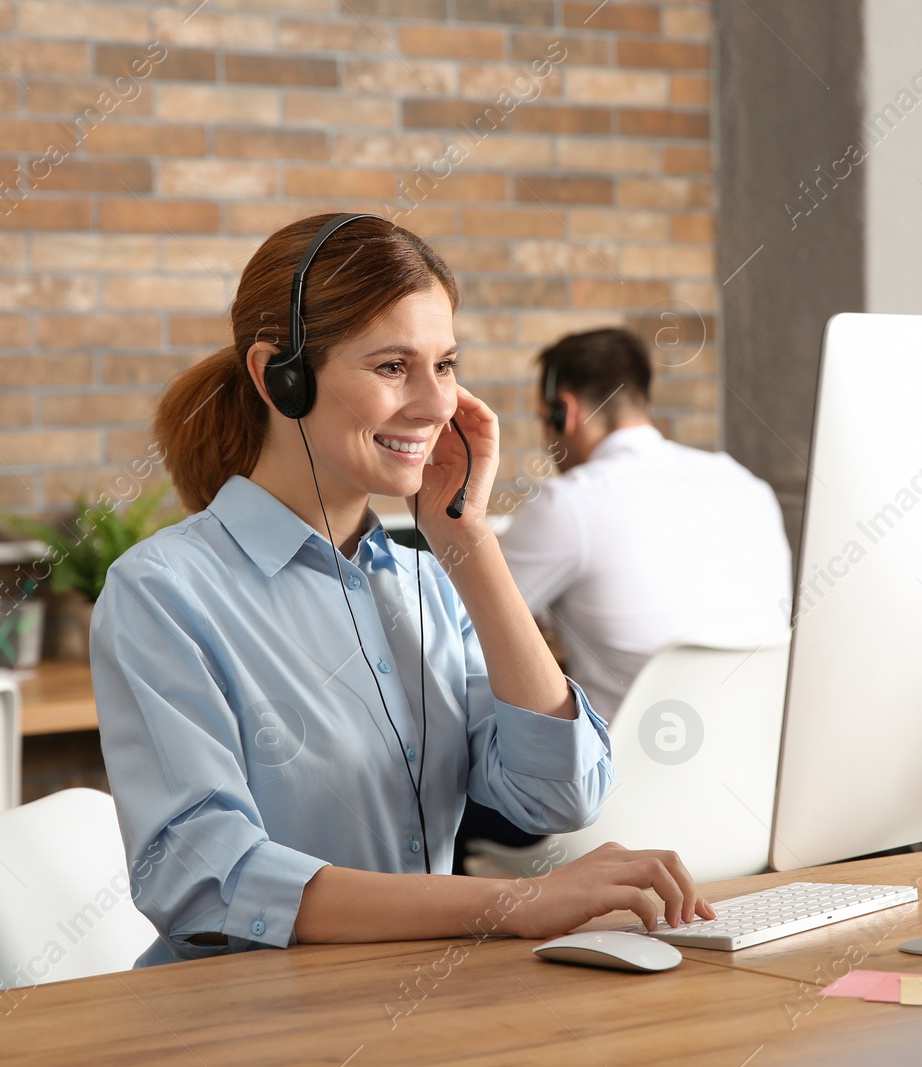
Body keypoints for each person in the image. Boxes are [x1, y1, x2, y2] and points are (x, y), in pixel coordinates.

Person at [92, 213, 714, 969]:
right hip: (246, 1026)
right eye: (393, 367)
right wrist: (514, 904)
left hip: (420, 1002)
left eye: (445, 364)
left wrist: (467, 542)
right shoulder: (163, 592)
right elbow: (207, 879)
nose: (435, 402)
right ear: (278, 376)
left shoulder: (424, 581)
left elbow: (560, 795)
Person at [498, 327, 794, 725]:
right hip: (758, 761)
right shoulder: (746, 484)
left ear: (563, 413)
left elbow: (458, 623)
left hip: (626, 776)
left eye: (542, 420)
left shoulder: (566, 504)